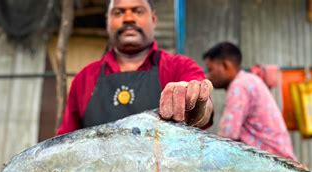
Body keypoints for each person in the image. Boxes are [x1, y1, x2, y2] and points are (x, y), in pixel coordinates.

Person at [57, 0, 213, 135]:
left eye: (138, 11)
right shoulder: (85, 78)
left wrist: (196, 102)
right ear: (107, 21)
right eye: (118, 12)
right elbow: (66, 143)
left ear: (153, 19)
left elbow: (204, 110)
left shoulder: (179, 67)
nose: (128, 18)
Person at [203, 42, 295, 160]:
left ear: (226, 65)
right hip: (281, 159)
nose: (208, 76)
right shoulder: (249, 80)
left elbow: (227, 136)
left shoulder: (239, 86)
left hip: (273, 164)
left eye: (210, 70)